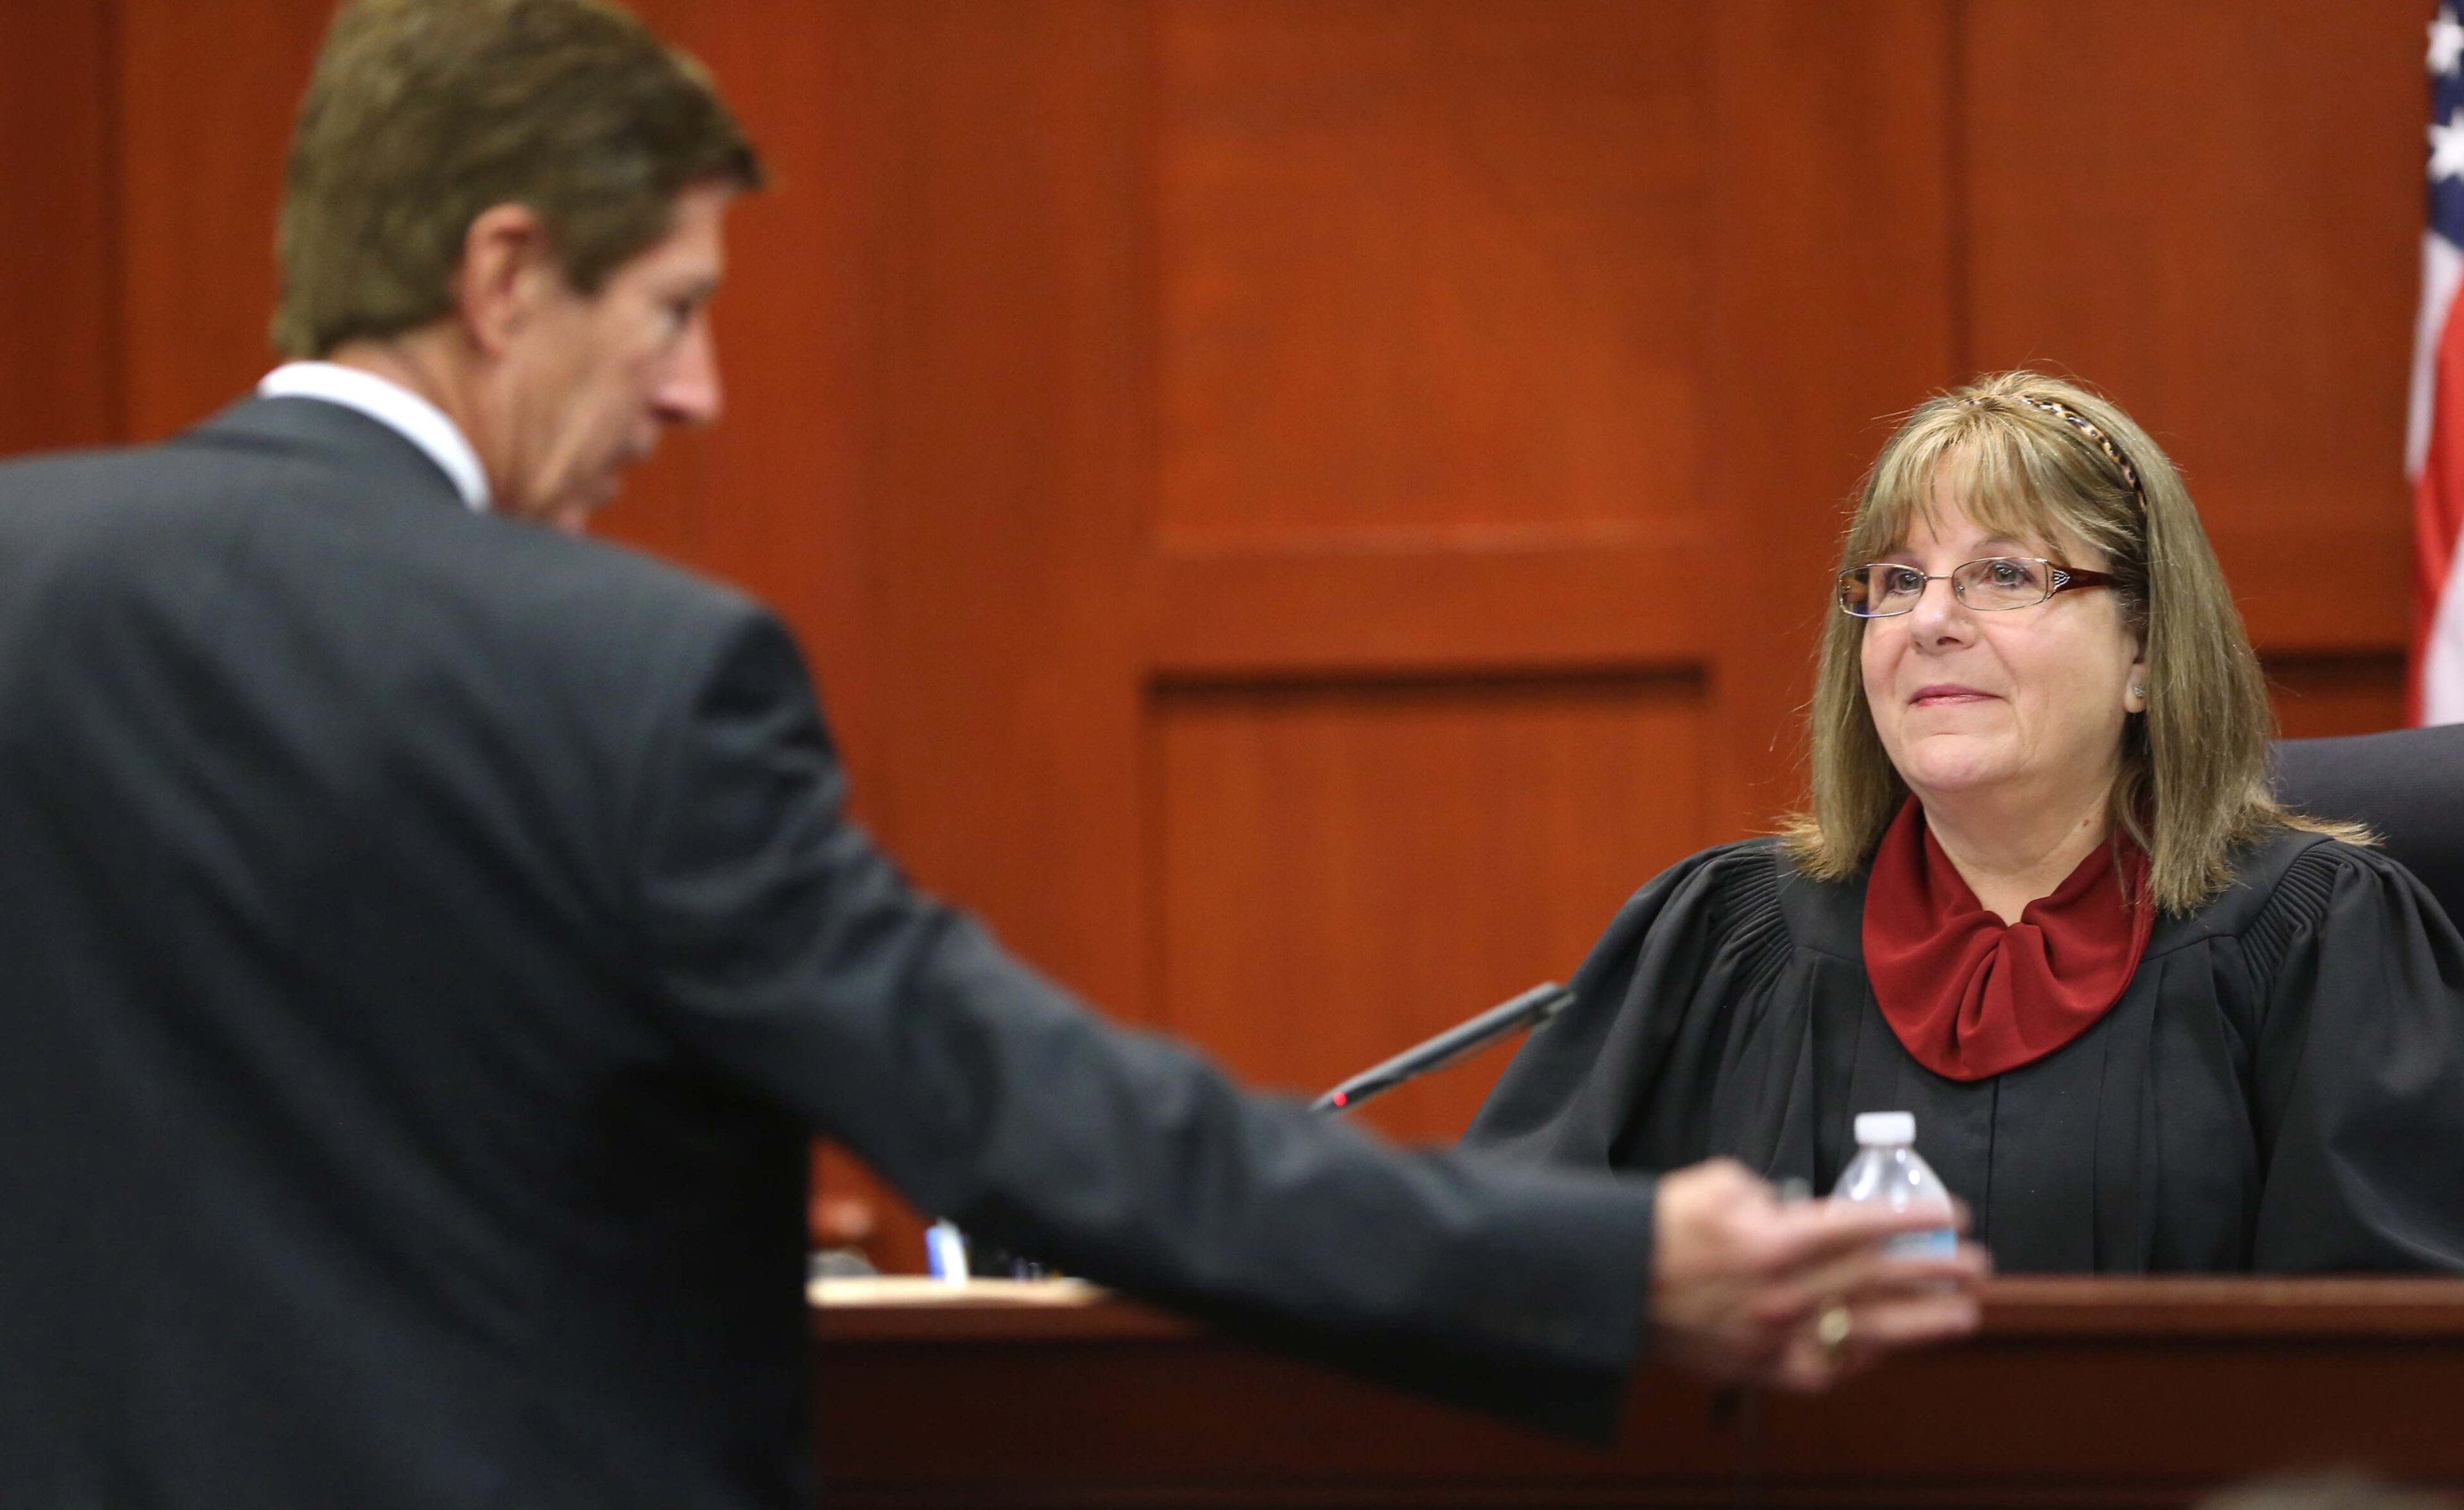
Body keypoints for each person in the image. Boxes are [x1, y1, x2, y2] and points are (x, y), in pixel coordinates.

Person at [0, 3, 1983, 1506]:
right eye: (672, 310)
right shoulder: (632, 674)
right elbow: (1045, 1126)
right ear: (505, 275)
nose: (693, 392)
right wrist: (1610, 1254)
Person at [1468, 369, 2464, 1274]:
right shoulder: (1723, 940)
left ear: (2147, 654)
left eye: (2006, 574)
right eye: (1898, 581)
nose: (1930, 621)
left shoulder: (2318, 937)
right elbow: (1507, 1280)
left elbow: (2384, 1369)